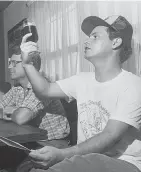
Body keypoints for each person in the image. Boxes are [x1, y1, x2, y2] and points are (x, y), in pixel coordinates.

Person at [19, 15, 141, 172]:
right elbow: (45, 90)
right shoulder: (82, 80)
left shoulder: (133, 85)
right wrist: (27, 64)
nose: (86, 41)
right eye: (88, 36)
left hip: (125, 163)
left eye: (95, 36)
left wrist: (62, 155)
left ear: (116, 42)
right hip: (85, 159)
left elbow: (110, 135)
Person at [0, 49, 70, 141]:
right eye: (9, 62)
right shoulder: (17, 88)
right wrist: (2, 113)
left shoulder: (42, 86)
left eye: (14, 62)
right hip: (30, 139)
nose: (9, 66)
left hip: (53, 143)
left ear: (30, 65)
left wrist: (14, 111)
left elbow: (21, 118)